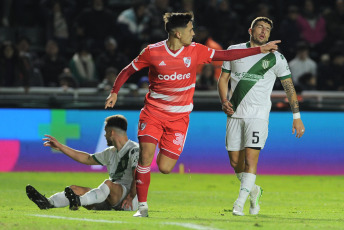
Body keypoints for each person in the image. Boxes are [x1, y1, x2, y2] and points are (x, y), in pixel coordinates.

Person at [105, 12, 281, 218]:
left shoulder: (196, 51)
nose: (194, 33)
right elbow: (128, 70)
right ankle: (142, 206)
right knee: (145, 158)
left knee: (165, 167)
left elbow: (226, 55)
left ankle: (146, 162)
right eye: (190, 29)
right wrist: (114, 91)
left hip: (179, 119)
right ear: (178, 34)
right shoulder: (152, 52)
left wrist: (260, 50)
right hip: (153, 113)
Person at [217, 17, 305, 216]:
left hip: (258, 115)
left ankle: (239, 203)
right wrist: (224, 101)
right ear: (250, 30)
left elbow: (289, 87)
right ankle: (254, 190)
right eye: (260, 27)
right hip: (235, 113)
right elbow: (223, 79)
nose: (264, 31)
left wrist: (296, 116)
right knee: (234, 162)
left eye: (267, 29)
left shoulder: (276, 58)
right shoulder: (234, 50)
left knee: (250, 160)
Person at [26, 115, 139, 212]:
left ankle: (78, 201)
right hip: (110, 198)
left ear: (112, 132)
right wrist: (61, 147)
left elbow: (138, 177)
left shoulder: (134, 149)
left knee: (108, 184)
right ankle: (48, 202)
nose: (104, 135)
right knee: (74, 189)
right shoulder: (110, 152)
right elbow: (87, 158)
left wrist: (130, 197)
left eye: (106, 131)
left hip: (128, 201)